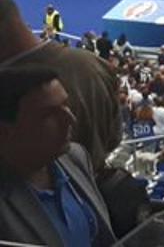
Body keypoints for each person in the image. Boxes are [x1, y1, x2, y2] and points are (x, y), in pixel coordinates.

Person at [0, 65, 113, 247]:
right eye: (49, 115)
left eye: (66, 105)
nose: (70, 119)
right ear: (5, 132)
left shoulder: (76, 157)